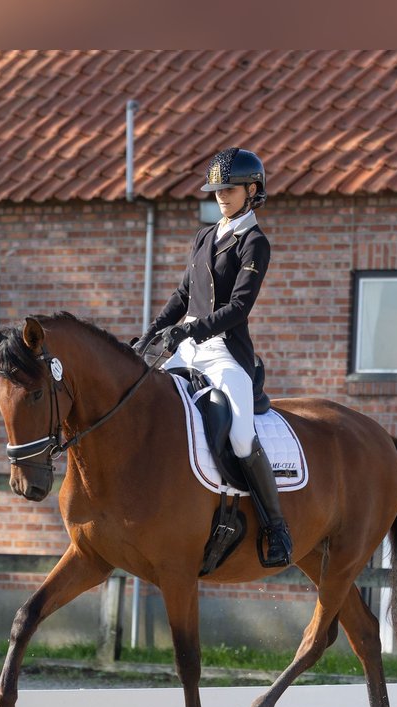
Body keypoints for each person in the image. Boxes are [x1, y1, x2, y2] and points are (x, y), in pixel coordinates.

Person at [133, 147, 292, 568]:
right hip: (188, 346)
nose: (221, 195)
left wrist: (193, 328)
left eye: (230, 188)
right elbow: (184, 294)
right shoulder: (205, 236)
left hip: (224, 353)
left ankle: (276, 527)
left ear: (252, 190)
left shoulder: (255, 243)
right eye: (217, 189)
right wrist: (150, 334)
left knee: (241, 434)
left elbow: (239, 307)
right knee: (139, 399)